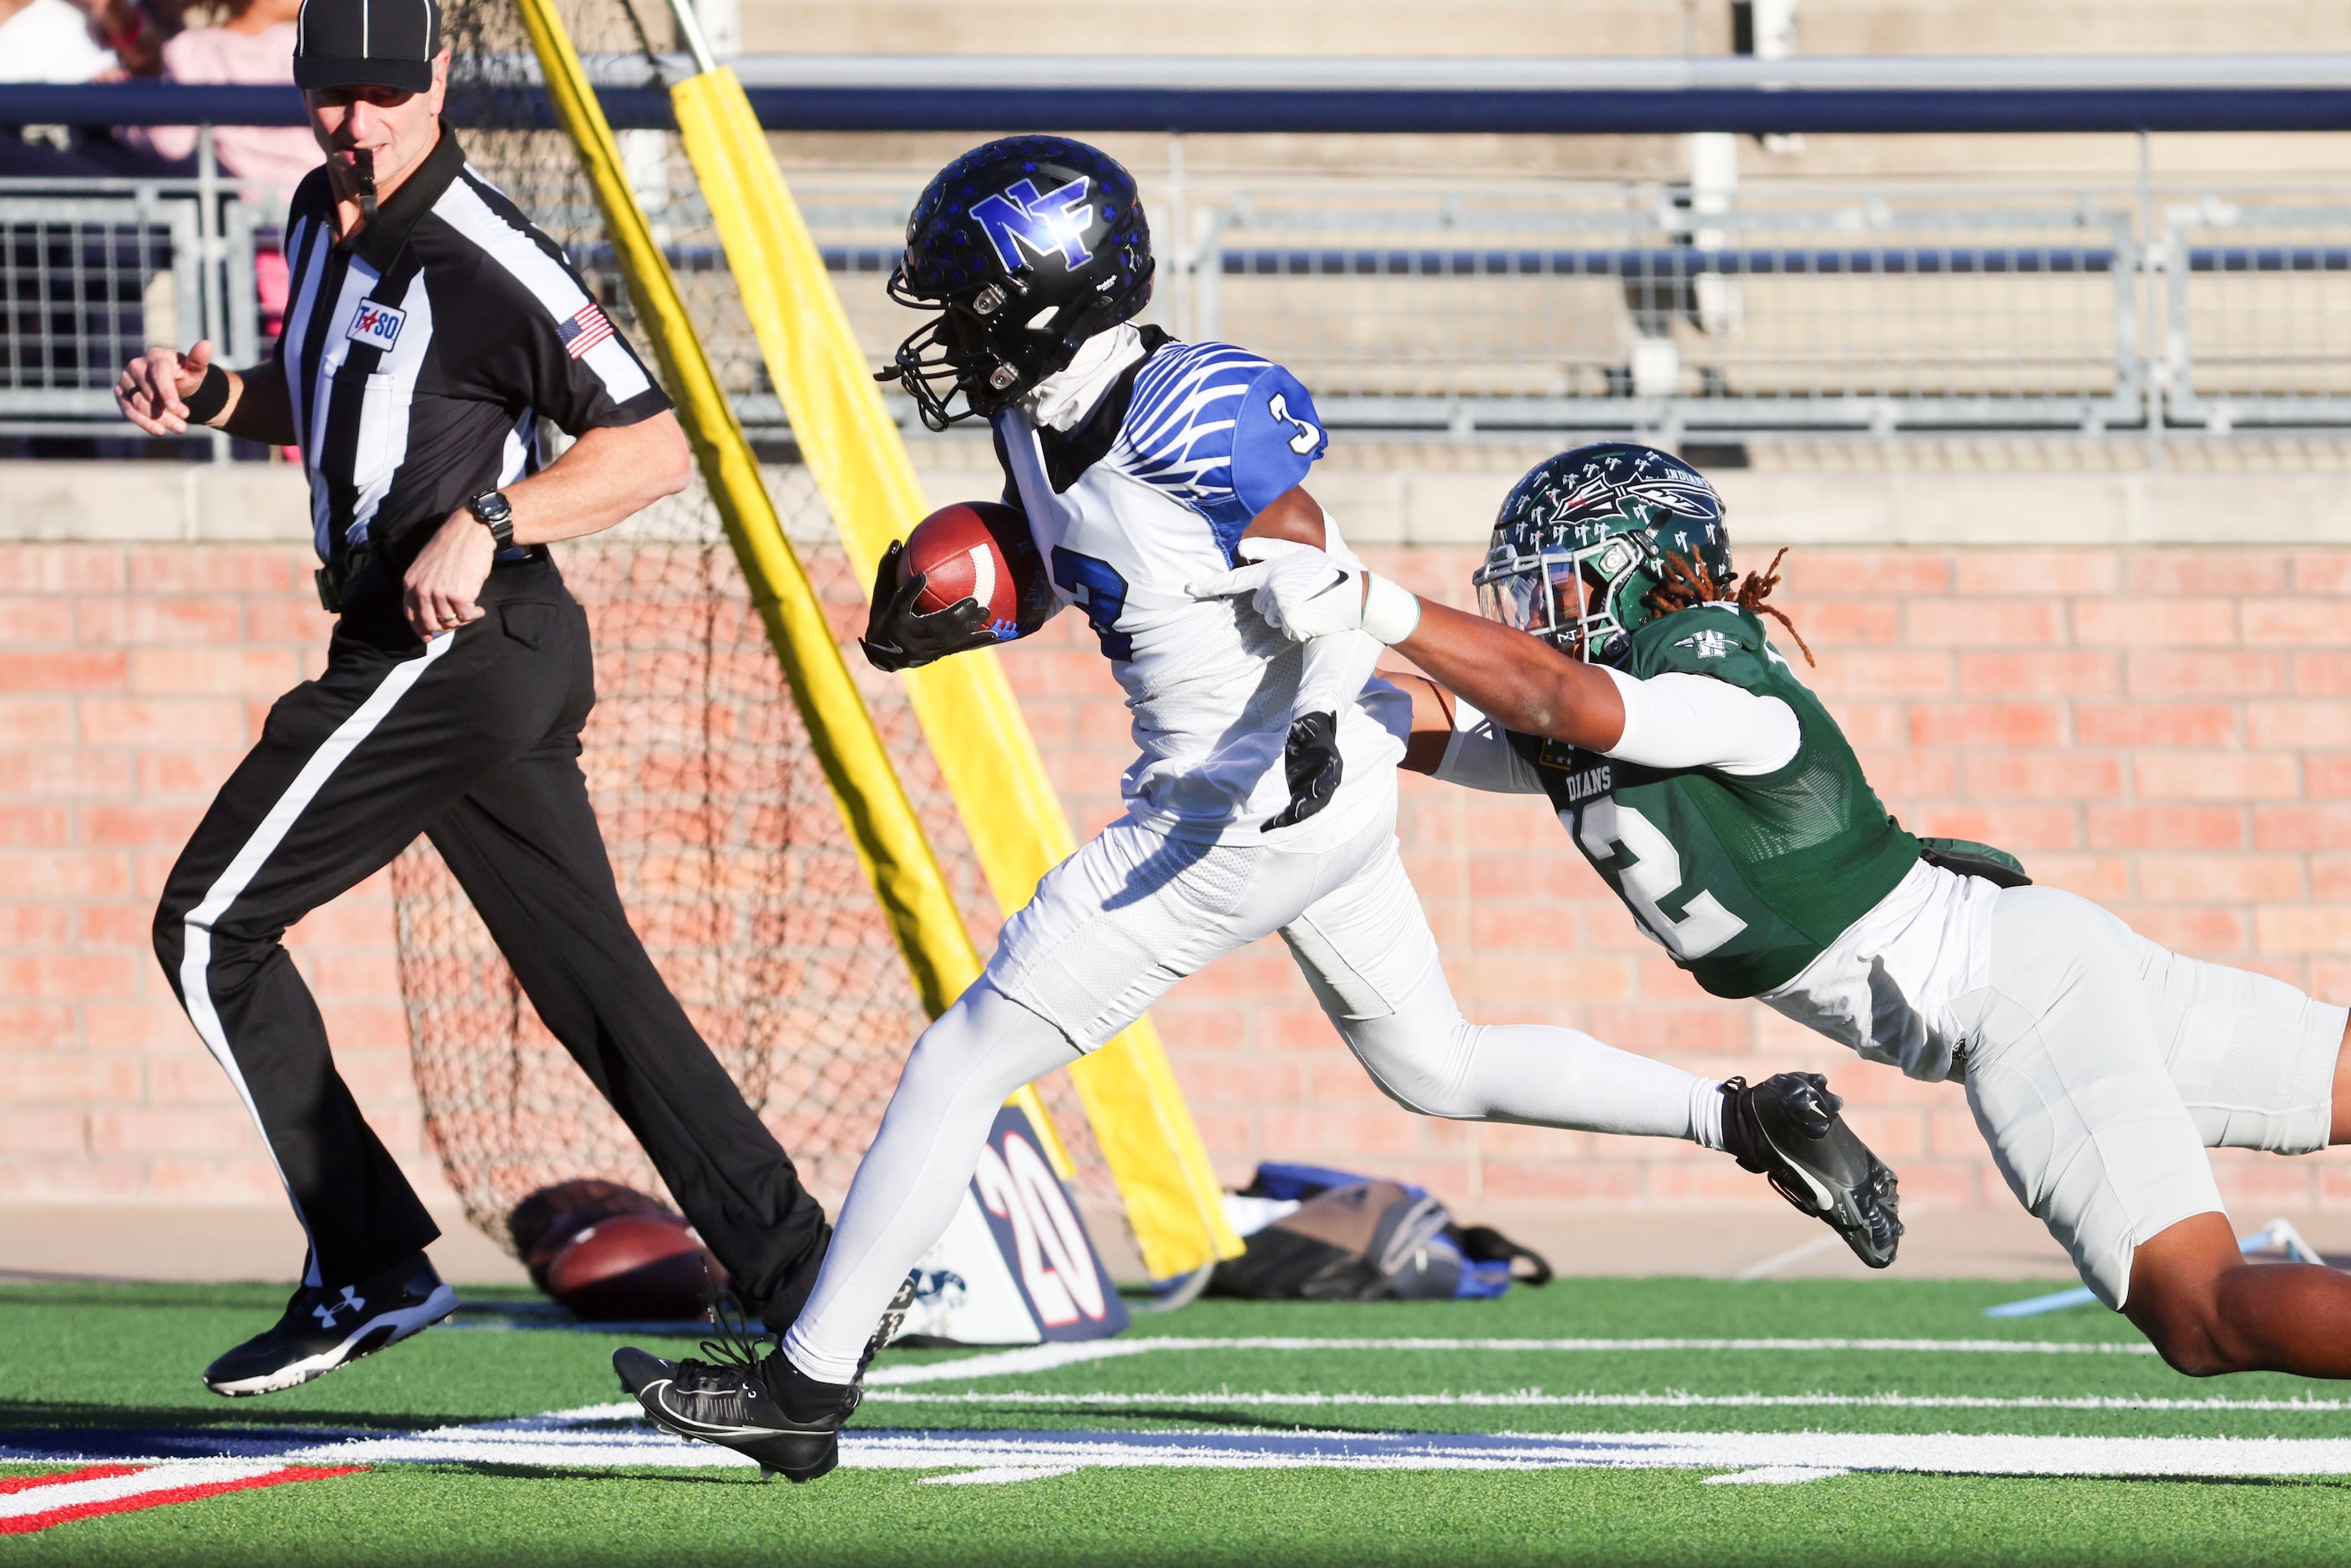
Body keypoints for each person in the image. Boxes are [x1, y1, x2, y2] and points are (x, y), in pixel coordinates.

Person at [610, 137, 1900, 1483]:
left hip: (1236, 804)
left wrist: (1320, 717)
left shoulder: (1192, 404)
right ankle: (1746, 1117)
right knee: (1434, 1063)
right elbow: (1095, 562)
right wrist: (982, 597)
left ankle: (804, 1388)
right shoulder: (1038, 411)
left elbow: (1313, 561)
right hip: (1307, 799)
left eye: (962, 298)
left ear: (1039, 295)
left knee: (964, 1059)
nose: (940, 328)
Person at [1206, 440, 2351, 1382]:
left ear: (1630, 573)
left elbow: (1557, 693)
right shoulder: (1604, 720)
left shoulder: (1718, 688)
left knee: (2200, 1311)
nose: (1536, 612)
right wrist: (1284, 674)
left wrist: (1369, 596)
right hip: (2044, 954)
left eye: (1554, 583)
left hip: (2015, 994)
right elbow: (1453, 724)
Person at [114, 0, 831, 1398]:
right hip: (433, 651)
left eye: (388, 92)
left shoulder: (485, 248)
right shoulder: (327, 220)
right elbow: (333, 401)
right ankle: (806, 1277)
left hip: (456, 646)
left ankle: (370, 1259)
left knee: (208, 926)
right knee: (598, 988)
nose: (360, 122)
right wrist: (215, 396)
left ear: (441, 75)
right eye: (334, 95)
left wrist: (493, 514)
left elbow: (652, 450)